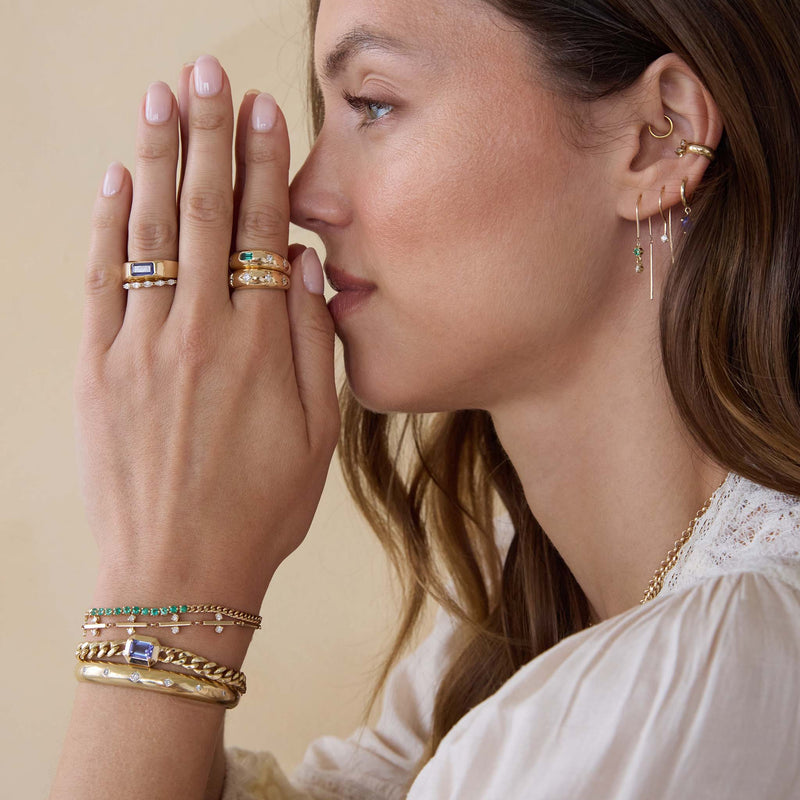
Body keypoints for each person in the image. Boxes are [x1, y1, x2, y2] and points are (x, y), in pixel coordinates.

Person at [50, 0, 800, 797]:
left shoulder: (696, 684)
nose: (306, 197)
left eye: (374, 104)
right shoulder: (502, 637)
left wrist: (163, 587)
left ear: (656, 138)